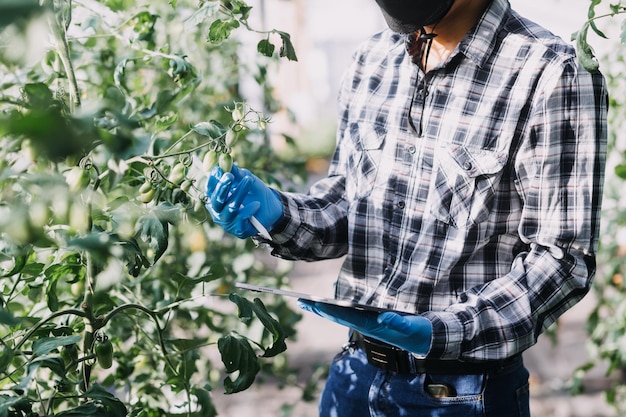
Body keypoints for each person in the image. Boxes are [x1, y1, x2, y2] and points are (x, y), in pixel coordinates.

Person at [205, 0, 608, 415]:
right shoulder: (373, 60)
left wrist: (442, 331)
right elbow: (347, 205)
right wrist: (275, 213)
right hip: (354, 377)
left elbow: (562, 261)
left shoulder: (552, 72)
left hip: (460, 391)